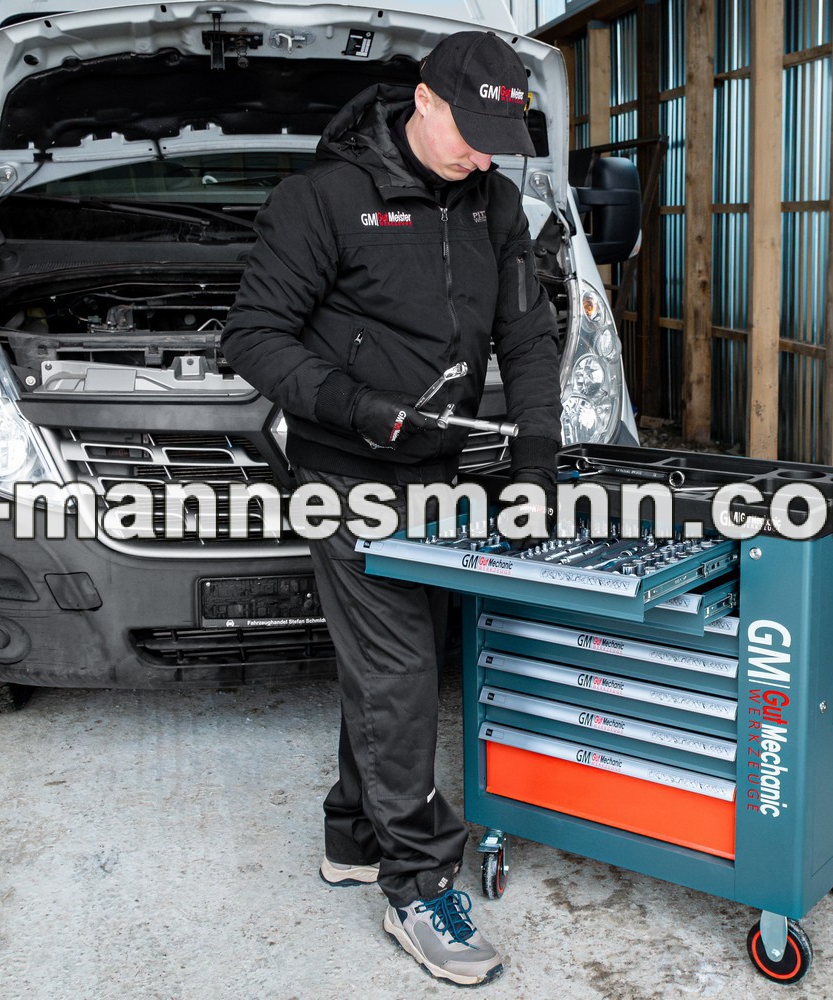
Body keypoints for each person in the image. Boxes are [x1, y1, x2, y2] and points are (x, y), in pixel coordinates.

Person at [219, 30, 560, 987]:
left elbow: (527, 337)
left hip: (444, 473)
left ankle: (354, 834)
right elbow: (252, 336)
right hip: (347, 474)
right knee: (402, 671)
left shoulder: (495, 203)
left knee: (394, 668)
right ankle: (419, 884)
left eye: (500, 141)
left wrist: (536, 455)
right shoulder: (324, 199)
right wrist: (355, 406)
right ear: (424, 100)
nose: (484, 157)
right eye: (472, 135)